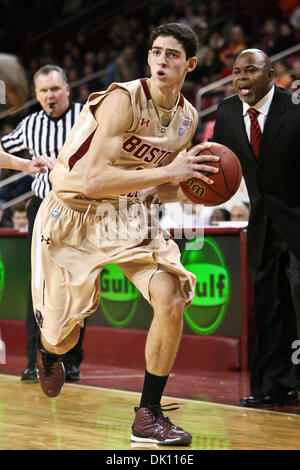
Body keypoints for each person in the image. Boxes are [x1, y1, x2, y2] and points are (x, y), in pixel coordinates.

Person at [30, 23, 219, 446]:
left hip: (124, 213)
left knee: (171, 296)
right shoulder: (122, 99)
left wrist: (193, 190)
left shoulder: (187, 119)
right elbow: (94, 180)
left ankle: (148, 415)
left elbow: (158, 185)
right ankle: (48, 353)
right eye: (156, 52)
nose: (161, 61)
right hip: (71, 213)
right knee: (63, 336)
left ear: (189, 64)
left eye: (172, 55)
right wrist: (169, 173)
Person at [211, 48, 300, 407]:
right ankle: (271, 386)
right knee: (269, 304)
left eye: (251, 70)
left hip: (297, 218)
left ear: (271, 73)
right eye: (236, 72)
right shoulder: (228, 112)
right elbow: (218, 166)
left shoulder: (294, 106)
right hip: (261, 222)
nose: (242, 78)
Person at [0, 65, 85, 383]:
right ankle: (35, 359)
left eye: (54, 89)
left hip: (78, 208)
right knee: (39, 285)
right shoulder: (29, 124)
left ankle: (71, 360)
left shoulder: (87, 117)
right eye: (43, 91)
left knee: (78, 283)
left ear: (67, 88)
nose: (50, 95)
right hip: (41, 207)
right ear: (36, 95)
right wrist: (23, 163)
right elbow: (3, 150)